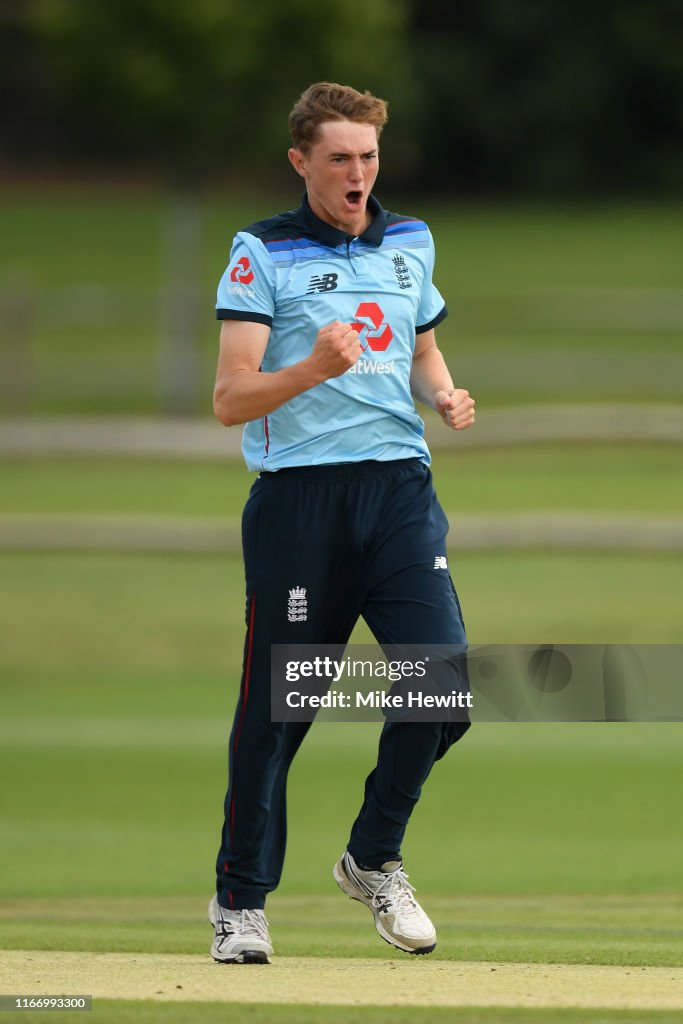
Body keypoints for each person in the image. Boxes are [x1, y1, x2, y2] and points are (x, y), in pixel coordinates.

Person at [209, 82, 475, 964]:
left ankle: (372, 858)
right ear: (302, 163)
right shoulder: (261, 252)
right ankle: (240, 903)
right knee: (279, 715)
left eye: (366, 157)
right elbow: (229, 398)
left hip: (398, 490)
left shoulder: (410, 240)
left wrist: (439, 391)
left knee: (443, 687)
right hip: (299, 502)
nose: (356, 173)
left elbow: (421, 342)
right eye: (338, 158)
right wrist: (314, 368)